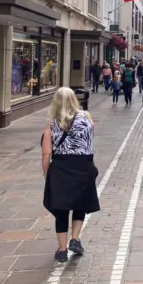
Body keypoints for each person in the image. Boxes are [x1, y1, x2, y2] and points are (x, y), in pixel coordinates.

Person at [42, 88, 99, 262]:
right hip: (84, 165)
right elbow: (90, 138)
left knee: (61, 209)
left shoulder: (51, 124)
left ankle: (62, 249)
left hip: (61, 167)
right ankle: (75, 238)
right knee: (79, 203)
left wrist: (47, 173)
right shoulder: (87, 117)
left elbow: (46, 154)